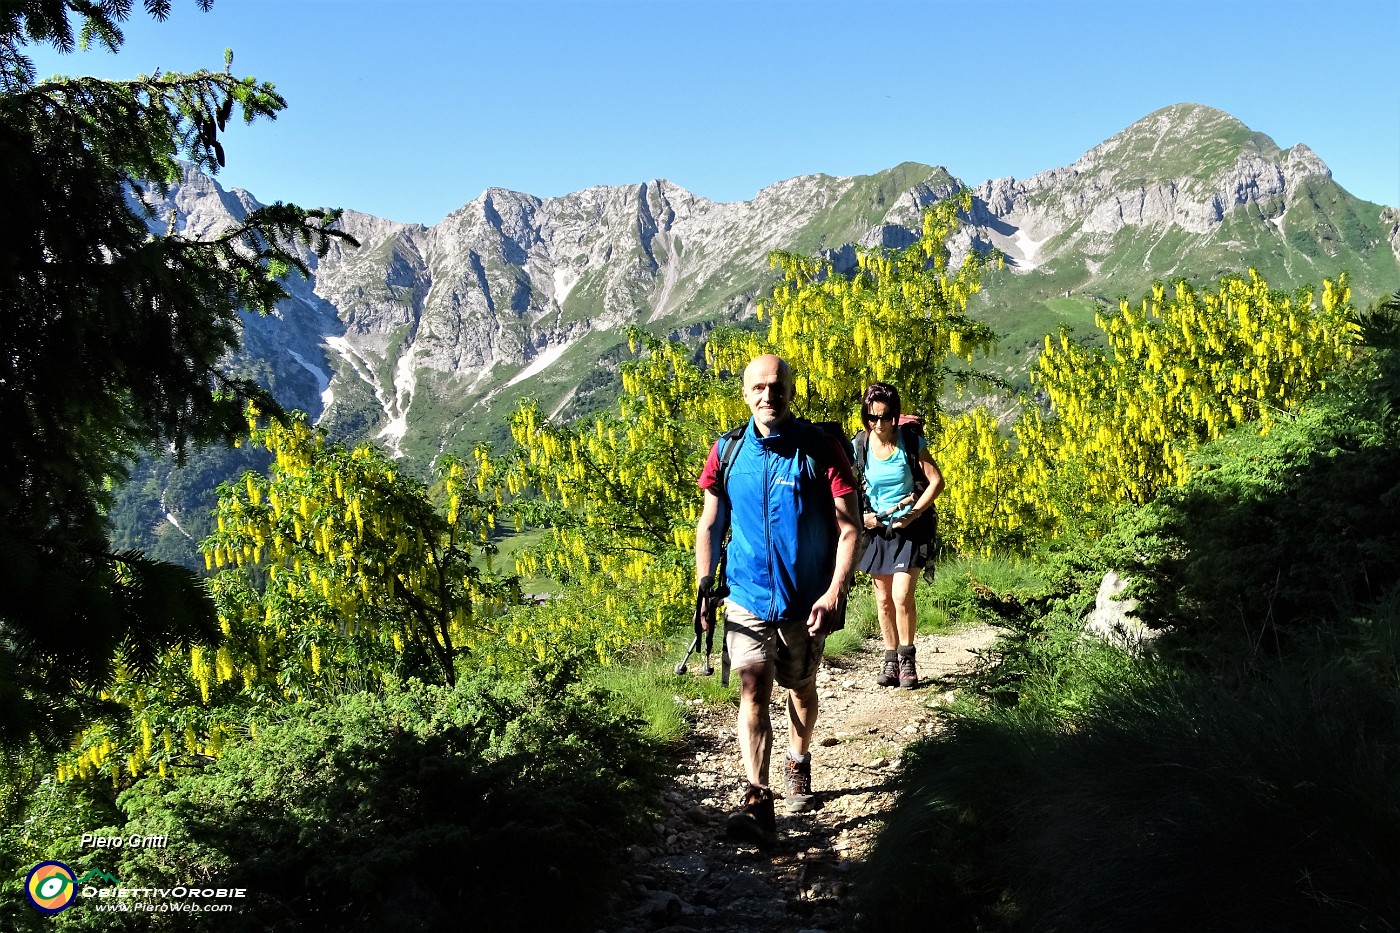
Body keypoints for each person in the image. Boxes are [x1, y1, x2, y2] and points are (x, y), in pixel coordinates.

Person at [694, 354, 860, 847]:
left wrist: (834, 592)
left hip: (805, 602)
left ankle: (800, 757)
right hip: (746, 595)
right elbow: (710, 524)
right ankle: (758, 797)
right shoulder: (727, 451)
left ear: (792, 390)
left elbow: (850, 530)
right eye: (759, 387)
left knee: (800, 690)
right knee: (752, 688)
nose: (769, 395)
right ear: (745, 394)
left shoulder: (821, 449)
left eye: (778, 386)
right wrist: (706, 582)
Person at [852, 382, 944, 688]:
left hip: (910, 529)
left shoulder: (909, 440)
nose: (879, 424)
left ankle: (907, 659)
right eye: (872, 417)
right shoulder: (860, 445)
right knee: (883, 599)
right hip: (877, 530)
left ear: (895, 415)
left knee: (902, 595)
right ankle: (889, 659)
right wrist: (860, 515)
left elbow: (936, 481)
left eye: (886, 416)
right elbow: (845, 488)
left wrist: (913, 513)